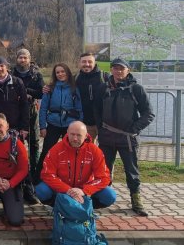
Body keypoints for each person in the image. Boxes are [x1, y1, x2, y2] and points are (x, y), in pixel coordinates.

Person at [95, 58, 154, 216]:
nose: (118, 71)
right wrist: (100, 127)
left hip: (127, 139)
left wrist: (135, 128)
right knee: (103, 170)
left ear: (128, 70)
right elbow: (97, 110)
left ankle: (136, 199)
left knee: (131, 171)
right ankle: (102, 198)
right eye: (115, 68)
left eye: (122, 68)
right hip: (106, 137)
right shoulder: (104, 88)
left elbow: (149, 114)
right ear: (112, 70)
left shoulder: (136, 89)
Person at [36, 121, 117, 209]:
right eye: (72, 134)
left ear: (86, 135)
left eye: (79, 135)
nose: (75, 138)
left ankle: (85, 207)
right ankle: (62, 206)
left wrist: (84, 191)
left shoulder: (94, 151)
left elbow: (104, 178)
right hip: (62, 190)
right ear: (67, 133)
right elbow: (47, 175)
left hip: (84, 190)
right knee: (41, 190)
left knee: (109, 195)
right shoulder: (55, 150)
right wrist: (68, 190)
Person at [36, 63, 83, 184]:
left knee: (70, 152)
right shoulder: (49, 89)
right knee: (47, 151)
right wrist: (42, 126)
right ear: (55, 74)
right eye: (58, 72)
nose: (60, 74)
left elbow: (79, 109)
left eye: (63, 71)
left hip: (70, 125)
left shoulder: (74, 88)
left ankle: (68, 178)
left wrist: (79, 128)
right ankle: (37, 178)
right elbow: (43, 109)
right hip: (53, 124)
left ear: (67, 72)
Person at [11, 49, 44, 184]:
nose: (22, 60)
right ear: (17, 59)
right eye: (20, 57)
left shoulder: (36, 75)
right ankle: (15, 173)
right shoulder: (11, 73)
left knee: (34, 143)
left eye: (25, 57)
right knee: (14, 143)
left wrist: (25, 92)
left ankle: (34, 174)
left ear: (29, 59)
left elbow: (41, 93)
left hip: (32, 111)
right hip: (14, 111)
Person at [0, 56, 29, 138]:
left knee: (15, 150)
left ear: (6, 67)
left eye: (2, 66)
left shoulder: (17, 82)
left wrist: (24, 127)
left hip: (14, 126)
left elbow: (24, 105)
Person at [74, 52, 109, 142]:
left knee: (105, 151)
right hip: (86, 122)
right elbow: (60, 85)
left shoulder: (104, 77)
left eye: (90, 62)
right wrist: (48, 87)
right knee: (87, 150)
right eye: (84, 62)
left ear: (95, 63)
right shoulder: (75, 78)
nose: (87, 64)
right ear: (79, 63)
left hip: (104, 122)